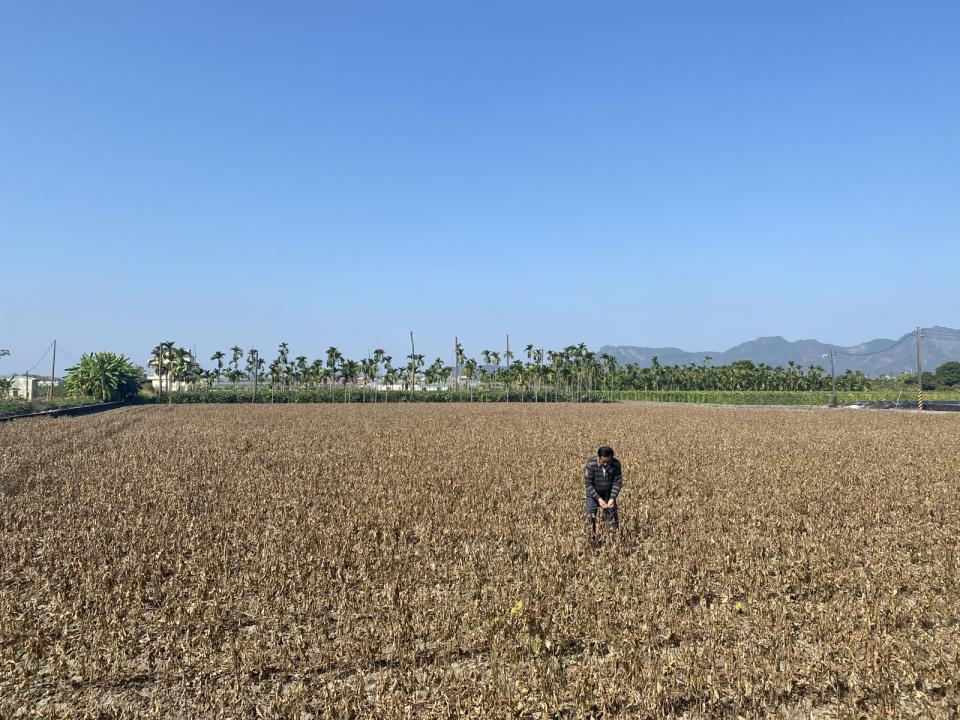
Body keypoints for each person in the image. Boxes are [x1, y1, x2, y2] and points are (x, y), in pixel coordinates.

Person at [583, 446, 622, 547]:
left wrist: (612, 498)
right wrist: (598, 499)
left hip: (608, 494)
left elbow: (617, 483)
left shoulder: (616, 464)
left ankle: (612, 543)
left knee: (612, 517)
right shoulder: (591, 464)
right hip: (593, 495)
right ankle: (592, 543)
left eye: (608, 461)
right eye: (603, 461)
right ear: (598, 457)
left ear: (612, 458)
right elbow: (588, 484)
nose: (605, 464)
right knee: (590, 517)